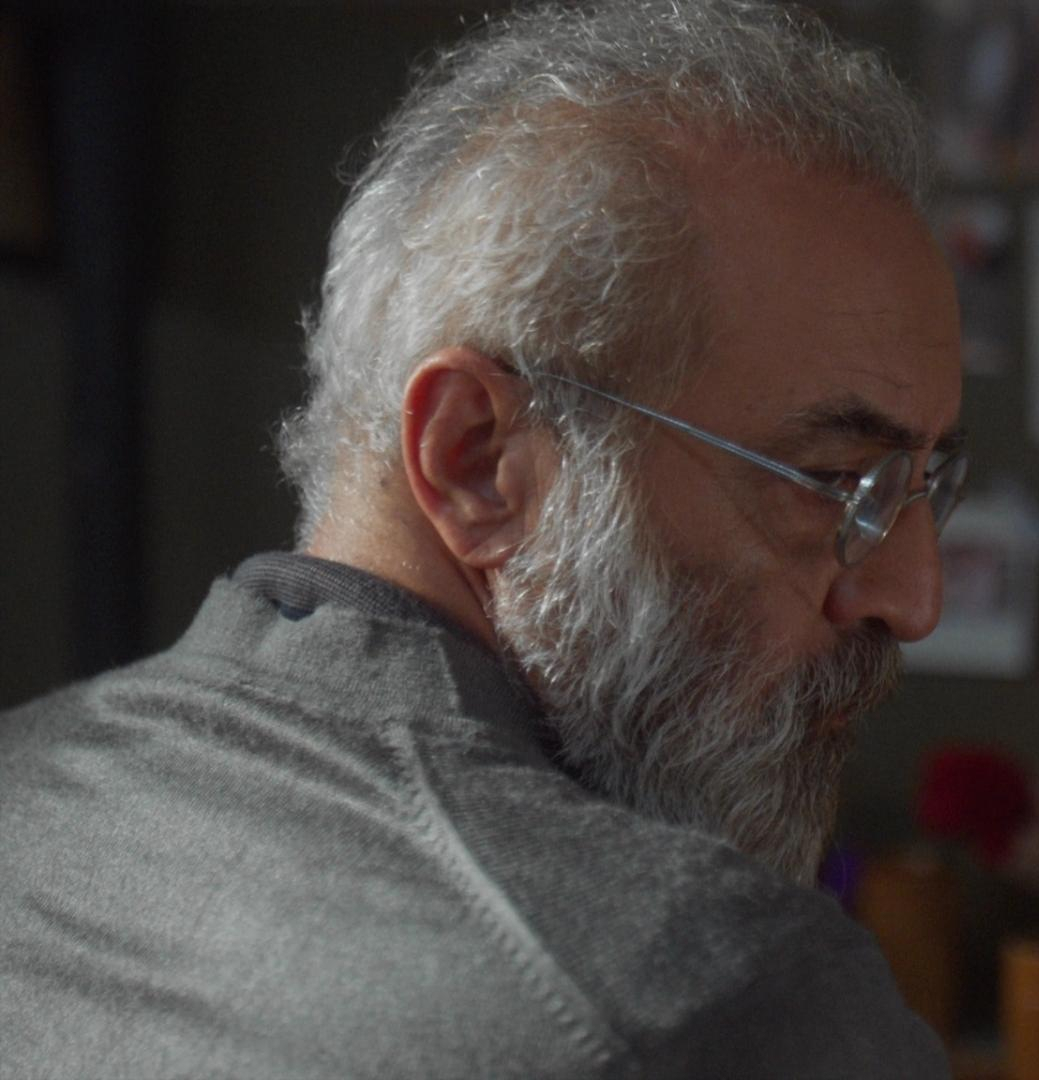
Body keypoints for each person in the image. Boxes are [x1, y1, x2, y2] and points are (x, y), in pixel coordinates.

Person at [0, 3, 967, 1076]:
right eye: (837, 482)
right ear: (476, 459)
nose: (915, 596)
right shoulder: (704, 1001)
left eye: (924, 483)